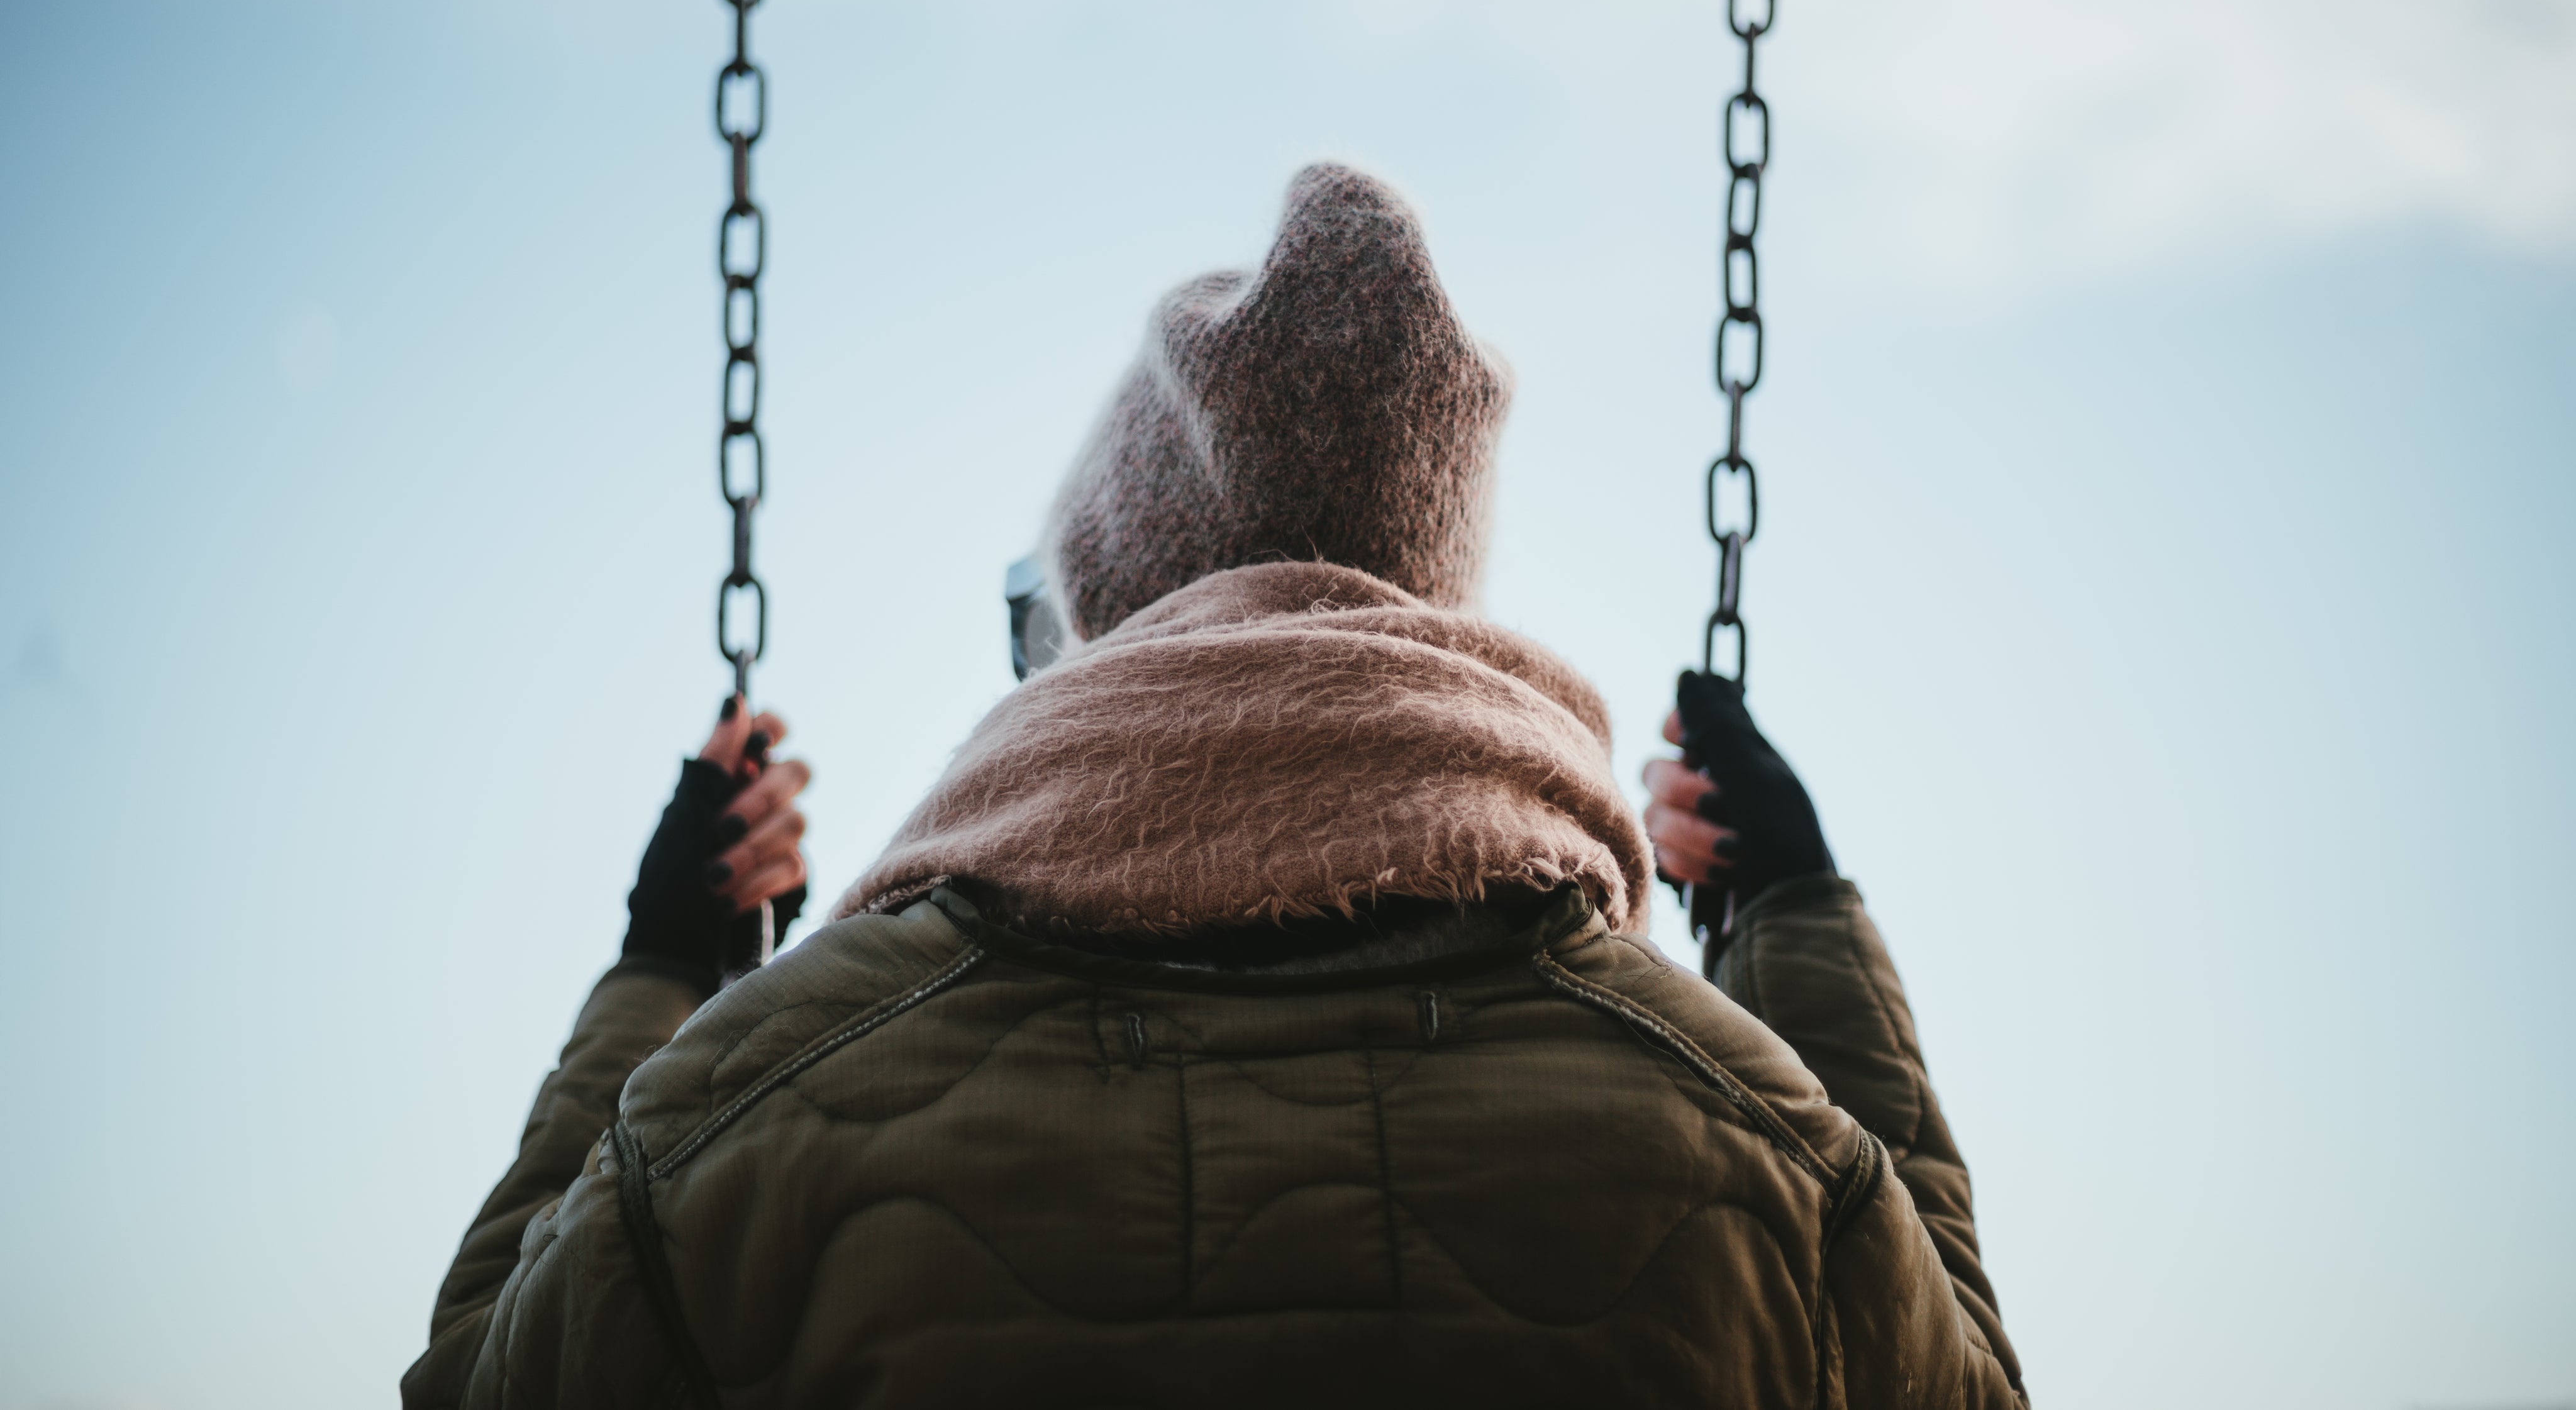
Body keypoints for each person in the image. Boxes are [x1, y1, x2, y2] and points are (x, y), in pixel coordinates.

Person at [402, 165, 2027, 1409]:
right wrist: (1794, 918)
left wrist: (666, 967)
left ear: (1096, 641)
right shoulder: (1753, 1143)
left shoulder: (750, 1116)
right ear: (1426, 631)